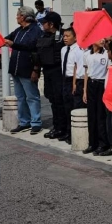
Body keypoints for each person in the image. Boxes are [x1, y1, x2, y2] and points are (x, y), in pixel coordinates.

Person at [5, 6, 43, 135]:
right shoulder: (18, 30)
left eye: (18, 15)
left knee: (32, 97)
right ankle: (24, 122)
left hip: (28, 68)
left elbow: (32, 47)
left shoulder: (35, 30)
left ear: (24, 17)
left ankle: (36, 122)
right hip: (16, 68)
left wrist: (36, 70)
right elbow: (7, 39)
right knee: (20, 97)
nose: (16, 17)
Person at [35, 12, 66, 140]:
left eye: (45, 22)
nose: (42, 24)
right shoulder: (44, 36)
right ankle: (57, 126)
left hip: (57, 72)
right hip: (47, 72)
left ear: (51, 24)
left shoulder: (62, 36)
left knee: (59, 102)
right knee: (52, 100)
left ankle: (62, 128)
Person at [81, 39, 109, 154]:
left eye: (104, 38)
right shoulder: (86, 54)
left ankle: (103, 144)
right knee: (91, 115)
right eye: (99, 38)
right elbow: (87, 72)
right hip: (91, 85)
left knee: (101, 115)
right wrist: (84, 90)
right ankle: (92, 143)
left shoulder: (107, 53)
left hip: (102, 85)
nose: (102, 40)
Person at [61, 27, 85, 143]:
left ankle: (73, 133)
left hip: (73, 80)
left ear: (75, 37)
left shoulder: (78, 50)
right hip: (64, 79)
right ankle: (67, 131)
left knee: (74, 106)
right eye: (64, 36)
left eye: (68, 36)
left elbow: (77, 67)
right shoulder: (63, 50)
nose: (65, 38)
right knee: (66, 106)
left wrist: (74, 83)